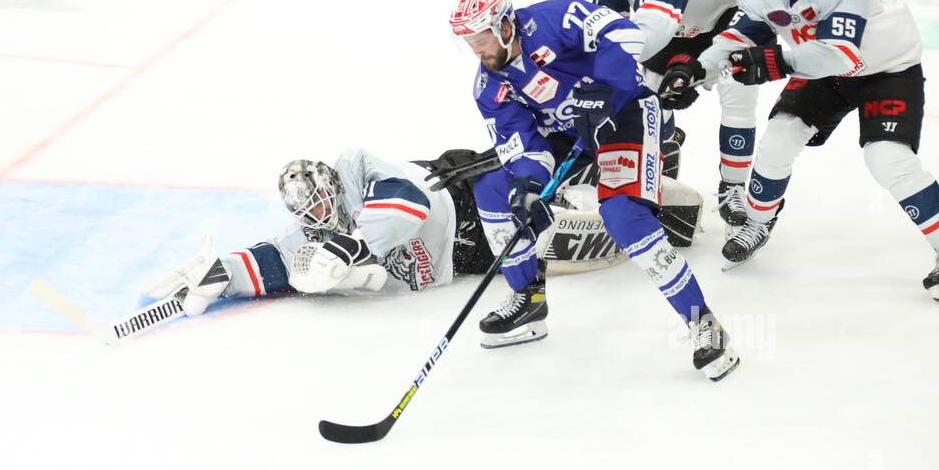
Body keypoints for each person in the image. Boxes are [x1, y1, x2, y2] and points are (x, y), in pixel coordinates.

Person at [662, 0, 939, 302]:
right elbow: (739, 37)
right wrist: (697, 69)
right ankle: (759, 222)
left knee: (886, 159)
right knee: (780, 135)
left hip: (887, 70)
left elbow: (840, 54)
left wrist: (773, 62)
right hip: (824, 71)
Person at [451, 0, 739, 381]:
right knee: (496, 189)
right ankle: (527, 299)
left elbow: (622, 32)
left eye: (480, 39)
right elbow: (523, 145)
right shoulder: (490, 86)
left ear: (504, 26)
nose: (476, 51)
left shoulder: (552, 20)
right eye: (468, 43)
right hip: (571, 134)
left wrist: (605, 88)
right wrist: (530, 185)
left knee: (623, 218)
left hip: (624, 116)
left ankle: (702, 322)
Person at [144, 146, 630, 314]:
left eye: (321, 199)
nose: (319, 213)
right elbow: (275, 260)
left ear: (331, 183)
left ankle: (627, 156)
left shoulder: (357, 169)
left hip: (464, 195)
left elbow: (411, 203)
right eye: (309, 212)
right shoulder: (310, 233)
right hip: (465, 256)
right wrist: (223, 273)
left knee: (552, 188)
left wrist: (353, 247)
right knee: (553, 247)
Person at [585, 0, 760, 230]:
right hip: (687, 8)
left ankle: (734, 186)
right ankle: (662, 148)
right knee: (648, 91)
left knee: (737, 85)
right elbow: (610, 25)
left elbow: (651, 31)